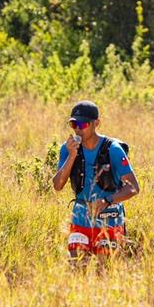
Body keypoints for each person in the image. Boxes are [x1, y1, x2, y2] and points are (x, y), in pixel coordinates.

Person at [52, 100, 139, 262]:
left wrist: (107, 200)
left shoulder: (112, 148)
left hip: (110, 217)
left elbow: (133, 187)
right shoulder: (67, 148)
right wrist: (72, 156)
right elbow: (58, 185)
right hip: (80, 217)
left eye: (83, 124)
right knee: (77, 268)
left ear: (96, 123)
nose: (78, 128)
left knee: (103, 270)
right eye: (73, 124)